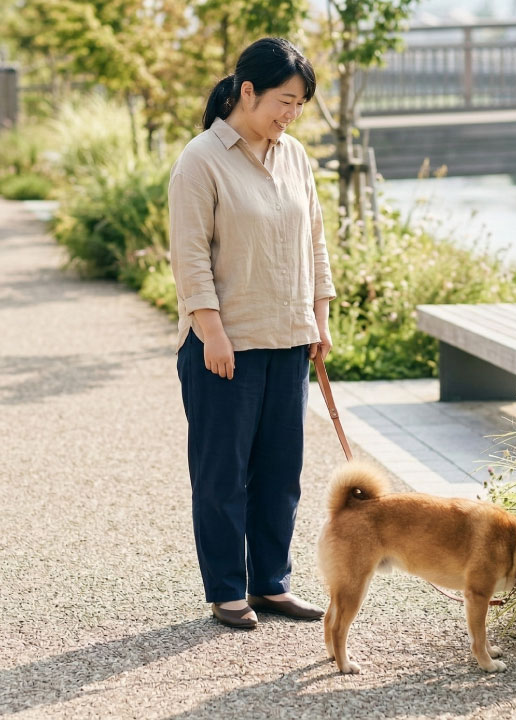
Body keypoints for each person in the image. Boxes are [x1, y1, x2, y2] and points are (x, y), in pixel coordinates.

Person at [168, 37, 335, 630]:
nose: (290, 115)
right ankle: (227, 590)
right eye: (284, 101)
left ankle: (270, 584)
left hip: (288, 338)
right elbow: (189, 257)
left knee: (280, 471)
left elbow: (314, 240)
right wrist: (210, 331)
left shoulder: (294, 157)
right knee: (222, 474)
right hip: (226, 346)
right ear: (247, 91)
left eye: (299, 105)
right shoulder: (201, 159)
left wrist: (320, 315)